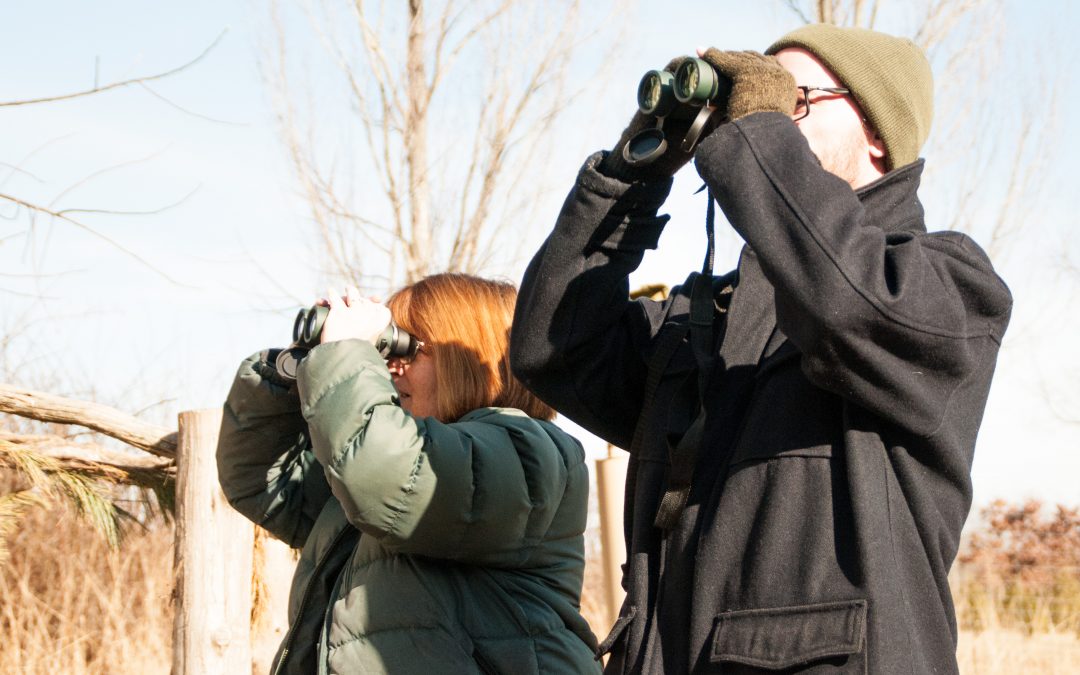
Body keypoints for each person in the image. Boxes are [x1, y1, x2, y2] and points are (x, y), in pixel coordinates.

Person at [511, 24, 1012, 674]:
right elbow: (553, 344)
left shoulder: (947, 285)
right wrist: (632, 171)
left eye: (793, 98)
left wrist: (759, 132)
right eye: (753, 99)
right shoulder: (704, 320)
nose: (763, 114)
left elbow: (846, 304)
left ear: (879, 134)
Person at [217, 273, 601, 674]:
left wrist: (346, 355)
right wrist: (302, 367)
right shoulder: (376, 466)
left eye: (407, 348)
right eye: (385, 348)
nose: (390, 367)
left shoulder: (527, 451)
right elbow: (261, 480)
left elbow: (390, 475)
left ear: (468, 358)